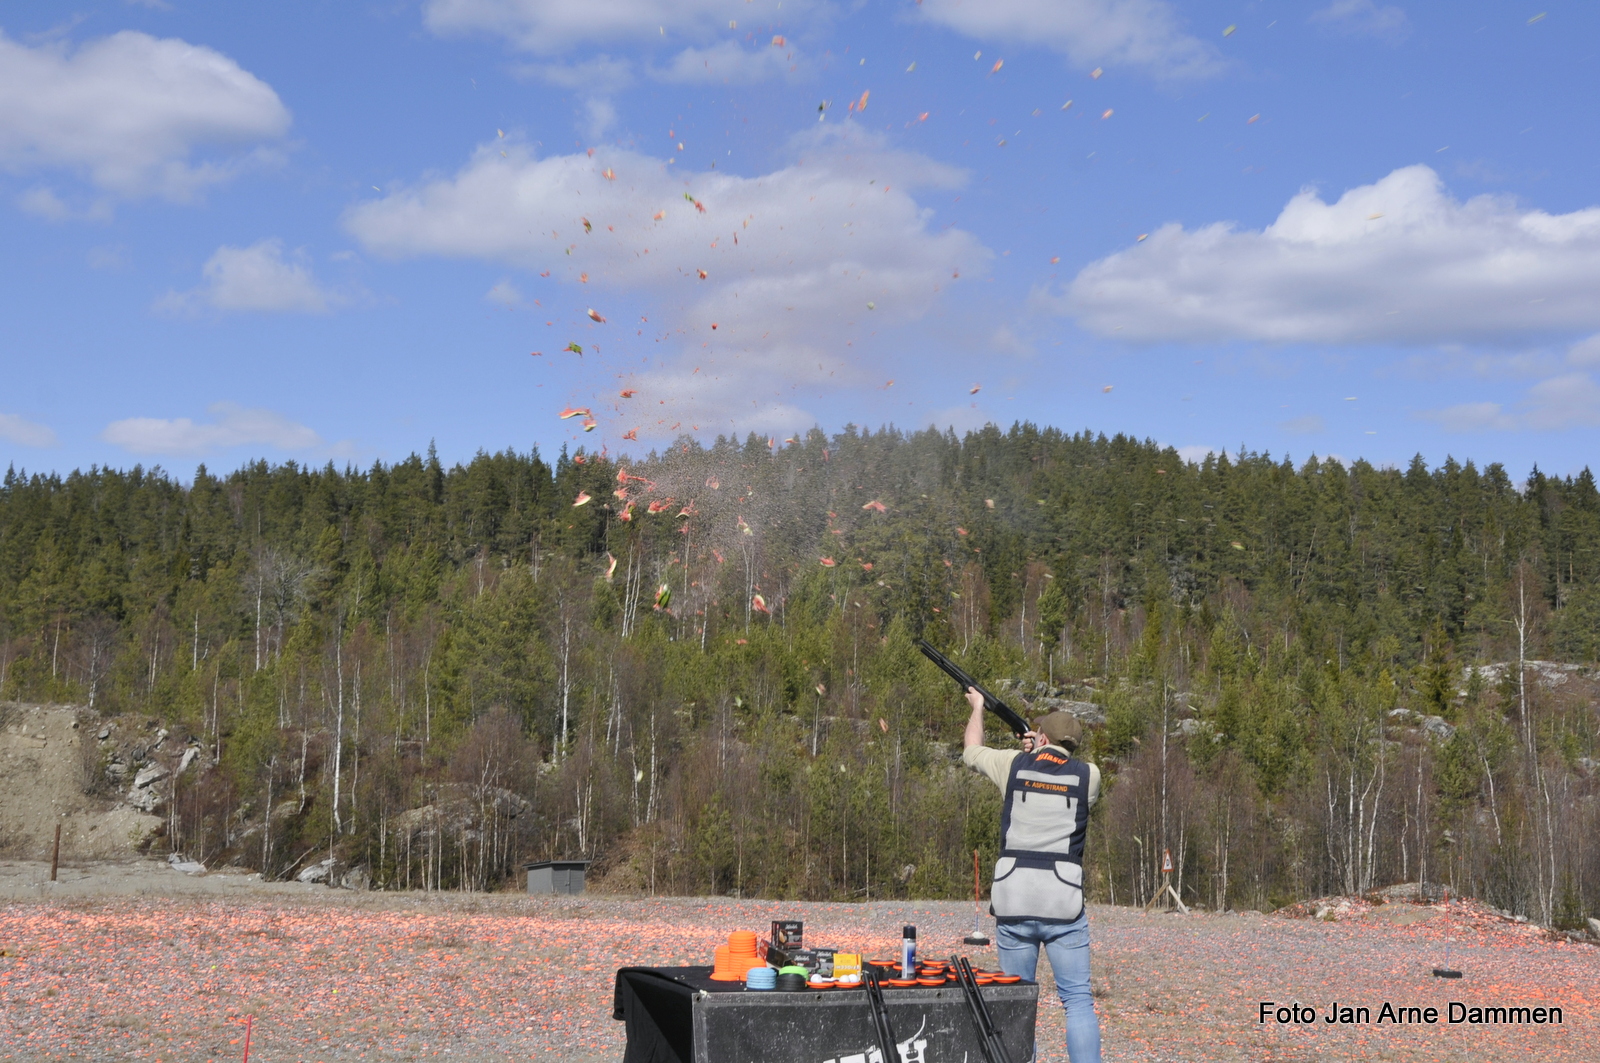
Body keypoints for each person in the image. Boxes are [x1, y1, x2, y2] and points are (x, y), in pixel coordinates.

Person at [962, 687, 1102, 1063]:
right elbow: (1056, 774)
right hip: (1063, 904)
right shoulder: (1089, 776)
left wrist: (978, 708)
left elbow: (971, 752)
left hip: (1015, 900)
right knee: (1077, 1000)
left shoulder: (1014, 766)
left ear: (1040, 737)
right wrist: (1037, 751)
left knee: (1018, 1004)